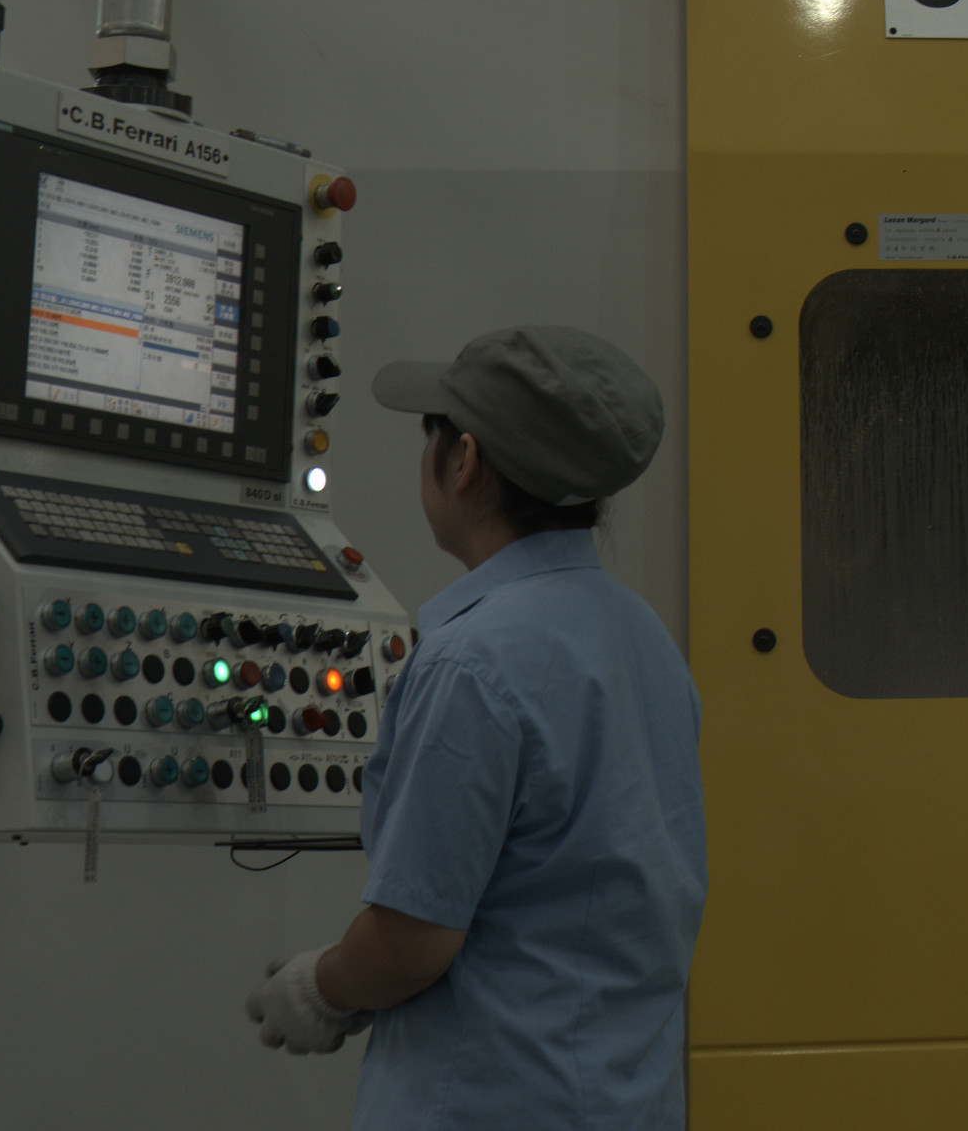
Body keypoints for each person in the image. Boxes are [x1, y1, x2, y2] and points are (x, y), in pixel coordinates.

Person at [243, 324, 705, 1129]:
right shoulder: (644, 639)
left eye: (433, 436)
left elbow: (412, 943)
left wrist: (318, 989)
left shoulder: (472, 662)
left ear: (463, 461)